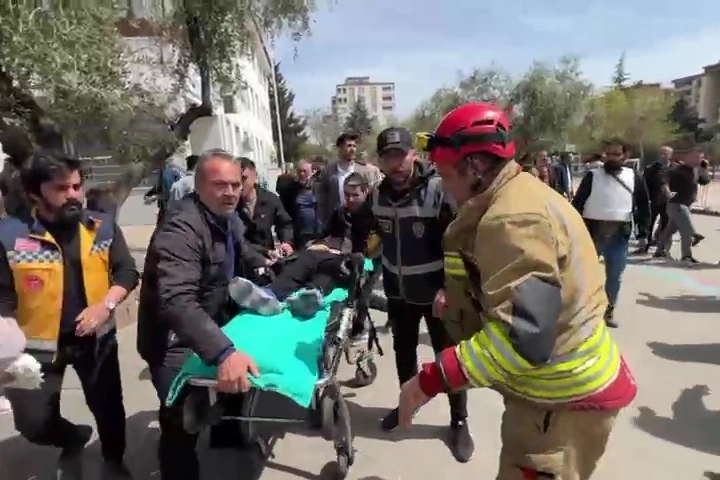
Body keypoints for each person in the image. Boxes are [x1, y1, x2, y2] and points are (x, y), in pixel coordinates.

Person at [398, 102, 637, 480]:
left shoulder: (512, 218)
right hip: (562, 395)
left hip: (559, 404)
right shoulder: (521, 193)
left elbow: (523, 339)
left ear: (475, 167)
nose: (443, 186)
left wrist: (429, 380)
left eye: (445, 174)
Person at [0, 151, 139, 477]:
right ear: (35, 192)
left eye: (77, 186)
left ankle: (114, 462)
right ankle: (73, 436)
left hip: (96, 339)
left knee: (108, 408)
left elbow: (127, 273)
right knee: (32, 424)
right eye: (61, 188)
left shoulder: (102, 227)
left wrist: (105, 306)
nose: (74, 194)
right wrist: (5, 336)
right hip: (35, 346)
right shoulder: (10, 235)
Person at [137, 150, 269, 480]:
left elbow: (241, 249)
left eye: (236, 184)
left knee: (233, 388)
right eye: (220, 185)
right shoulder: (180, 230)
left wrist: (268, 261)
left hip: (210, 321)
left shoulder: (227, 216)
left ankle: (227, 436)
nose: (230, 192)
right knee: (181, 421)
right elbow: (176, 300)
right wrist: (223, 352)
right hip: (172, 341)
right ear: (198, 187)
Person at [366, 126, 473, 461]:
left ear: (414, 154)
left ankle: (459, 421)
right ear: (380, 162)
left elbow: (460, 243)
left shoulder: (438, 191)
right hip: (398, 293)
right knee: (404, 352)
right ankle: (407, 405)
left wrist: (448, 288)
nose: (396, 163)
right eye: (388, 157)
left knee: (449, 358)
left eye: (401, 154)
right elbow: (369, 233)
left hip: (437, 295)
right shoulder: (377, 195)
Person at [230, 172, 377, 319]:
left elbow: (371, 250)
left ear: (365, 192)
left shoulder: (374, 217)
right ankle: (308, 296)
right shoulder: (340, 213)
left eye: (355, 195)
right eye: (346, 195)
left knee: (312, 258)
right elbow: (325, 235)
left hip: (355, 263)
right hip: (334, 261)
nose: (350, 199)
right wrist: (319, 244)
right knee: (319, 268)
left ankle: (274, 292)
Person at [572, 138, 650, 328]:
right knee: (583, 274)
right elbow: (577, 204)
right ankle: (580, 311)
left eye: (616, 154)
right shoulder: (592, 176)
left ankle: (608, 310)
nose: (612, 158)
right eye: (608, 154)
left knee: (614, 276)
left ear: (625, 156)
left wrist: (643, 233)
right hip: (591, 232)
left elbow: (643, 206)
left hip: (619, 235)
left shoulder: (634, 177)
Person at [315, 132, 382, 229]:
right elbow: (322, 200)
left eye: (354, 146)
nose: (353, 149)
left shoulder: (366, 171)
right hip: (336, 224)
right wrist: (323, 223)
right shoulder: (328, 172)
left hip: (361, 222)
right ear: (340, 148)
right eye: (349, 146)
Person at [654, 147, 709, 263]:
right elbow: (664, 180)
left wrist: (703, 168)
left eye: (700, 158)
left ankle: (659, 251)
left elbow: (705, 181)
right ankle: (686, 255)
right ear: (687, 157)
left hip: (686, 204)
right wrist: (667, 191)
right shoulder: (677, 169)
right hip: (676, 204)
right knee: (686, 230)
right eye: (695, 157)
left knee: (670, 230)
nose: (698, 160)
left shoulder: (697, 170)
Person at [236, 157, 294, 256]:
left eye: (244, 178)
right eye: (236, 179)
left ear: (255, 176)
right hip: (241, 258)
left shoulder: (269, 199)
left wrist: (286, 242)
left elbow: (284, 223)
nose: (240, 184)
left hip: (268, 257)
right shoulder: (230, 204)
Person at [634, 145, 673, 254]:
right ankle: (644, 246)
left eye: (665, 153)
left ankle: (662, 249)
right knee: (649, 224)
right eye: (661, 153)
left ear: (670, 155)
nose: (662, 155)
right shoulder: (651, 169)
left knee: (666, 225)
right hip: (653, 200)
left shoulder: (675, 168)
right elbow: (645, 186)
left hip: (669, 201)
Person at [284, 159, 321, 248]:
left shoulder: (320, 187)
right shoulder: (292, 189)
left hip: (318, 232)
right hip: (299, 232)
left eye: (305, 171)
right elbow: (286, 212)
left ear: (312, 172)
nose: (302, 174)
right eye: (299, 171)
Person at [144, 160, 185, 224]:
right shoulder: (170, 173)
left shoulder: (166, 175)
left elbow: (168, 192)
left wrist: (154, 197)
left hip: (170, 207)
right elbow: (159, 187)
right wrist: (149, 194)